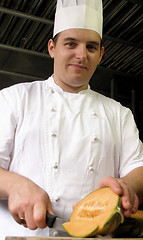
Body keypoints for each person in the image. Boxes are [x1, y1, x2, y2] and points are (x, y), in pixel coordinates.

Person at [0, 0, 143, 239]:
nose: (81, 55)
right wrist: (14, 184)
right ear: (52, 47)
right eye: (71, 43)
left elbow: (137, 168)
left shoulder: (119, 113)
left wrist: (128, 185)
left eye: (91, 47)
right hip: (21, 235)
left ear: (101, 54)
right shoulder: (13, 99)